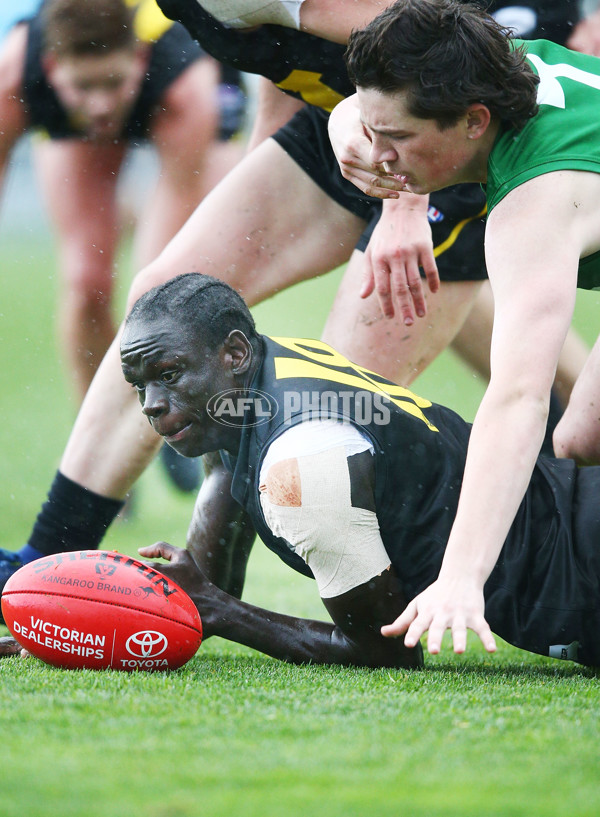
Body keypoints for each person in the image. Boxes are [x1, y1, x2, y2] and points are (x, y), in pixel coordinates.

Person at [0, 0, 589, 589]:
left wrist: (405, 202)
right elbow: (284, 57)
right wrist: (261, 167)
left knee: (321, 414)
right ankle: (46, 559)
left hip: (427, 143)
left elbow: (402, 44)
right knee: (164, 302)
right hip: (356, 123)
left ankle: (493, 569)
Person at [10, 272, 599, 667]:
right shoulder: (250, 386)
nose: (151, 405)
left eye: (168, 374)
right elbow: (201, 585)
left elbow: (384, 650)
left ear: (234, 353)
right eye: (140, 386)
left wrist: (222, 614)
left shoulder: (303, 464)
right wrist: (70, 624)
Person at [326, 0, 600, 657]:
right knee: (583, 436)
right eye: (373, 129)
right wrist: (346, 127)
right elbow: (355, 113)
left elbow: (519, 395)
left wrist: (460, 577)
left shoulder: (532, 208)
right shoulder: (494, 70)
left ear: (475, 122)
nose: (379, 153)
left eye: (395, 139)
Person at [0, 0, 247, 491]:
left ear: (136, 60)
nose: (99, 104)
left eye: (112, 83)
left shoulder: (186, 85)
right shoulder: (13, 78)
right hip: (76, 128)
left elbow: (159, 285)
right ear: (52, 69)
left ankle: (165, 425)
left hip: (188, 108)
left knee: (158, 295)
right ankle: (90, 447)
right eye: (83, 86)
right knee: (87, 282)